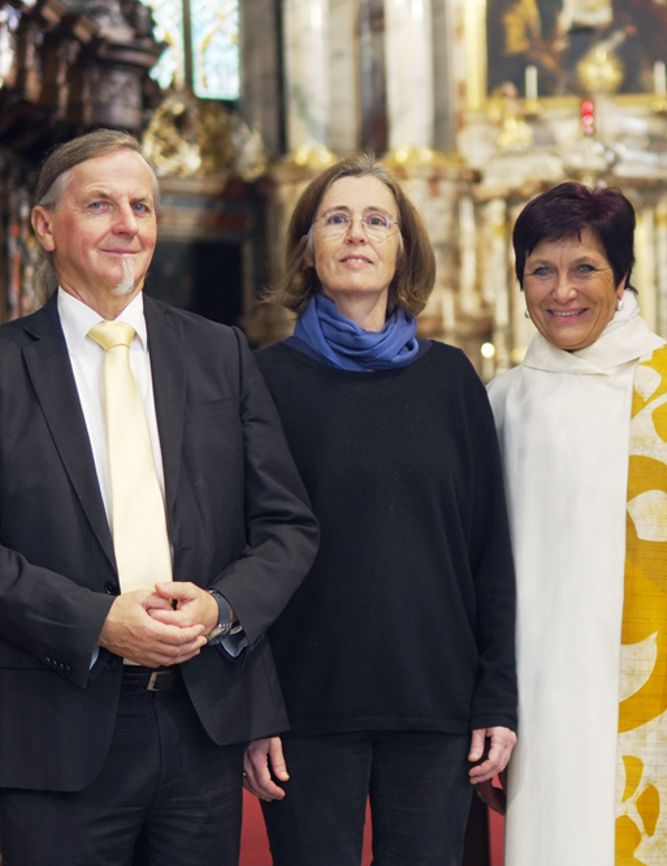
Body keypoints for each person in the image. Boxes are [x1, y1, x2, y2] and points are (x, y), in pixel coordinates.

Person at [0, 130, 318, 864]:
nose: (128, 224)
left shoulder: (220, 353)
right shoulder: (9, 367)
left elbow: (286, 528)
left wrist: (222, 609)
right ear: (45, 226)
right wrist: (94, 621)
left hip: (199, 727)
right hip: (52, 733)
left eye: (142, 205)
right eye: (100, 204)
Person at [484, 181, 667, 866]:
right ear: (519, 280)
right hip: (543, 706)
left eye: (585, 268)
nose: (564, 292)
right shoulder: (503, 402)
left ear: (621, 280)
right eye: (542, 270)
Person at [241, 154, 517, 866]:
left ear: (403, 248)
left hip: (435, 702)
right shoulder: (261, 380)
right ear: (308, 245)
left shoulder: (451, 380)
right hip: (304, 707)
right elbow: (237, 551)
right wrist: (251, 706)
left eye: (375, 220)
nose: (355, 234)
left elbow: (490, 554)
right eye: (335, 218)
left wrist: (497, 699)